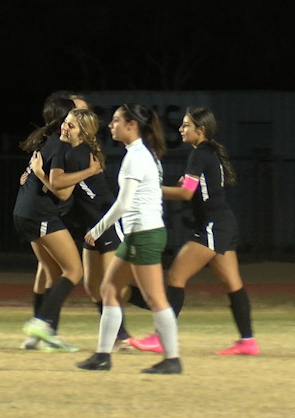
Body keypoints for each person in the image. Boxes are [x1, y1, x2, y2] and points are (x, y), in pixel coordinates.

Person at [129, 106, 259, 356]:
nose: (181, 128)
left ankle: (160, 338)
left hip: (213, 225)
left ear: (201, 130)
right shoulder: (208, 152)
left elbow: (186, 193)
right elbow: (191, 188)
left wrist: (151, 189)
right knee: (232, 283)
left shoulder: (199, 153)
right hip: (223, 223)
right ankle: (247, 341)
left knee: (176, 276)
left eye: (186, 125)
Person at [76, 103, 182, 374]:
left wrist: (97, 230)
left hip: (144, 235)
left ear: (131, 125)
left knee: (156, 299)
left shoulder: (137, 156)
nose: (110, 125)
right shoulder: (141, 154)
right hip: (139, 234)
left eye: (116, 121)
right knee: (109, 290)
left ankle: (172, 359)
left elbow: (123, 204)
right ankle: (102, 355)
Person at [37, 108, 137, 348]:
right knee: (93, 288)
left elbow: (59, 185)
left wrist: (40, 173)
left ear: (83, 132)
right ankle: (121, 332)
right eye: (65, 123)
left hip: (107, 225)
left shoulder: (79, 154)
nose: (64, 127)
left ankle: (126, 330)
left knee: (113, 287)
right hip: (91, 230)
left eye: (71, 125)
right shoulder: (75, 152)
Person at [13, 95, 82, 351]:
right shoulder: (64, 147)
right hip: (40, 213)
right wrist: (88, 171)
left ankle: (40, 336)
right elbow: (62, 192)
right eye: (75, 114)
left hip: (24, 211)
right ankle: (42, 324)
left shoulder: (45, 141)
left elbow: (29, 177)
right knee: (74, 271)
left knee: (51, 273)